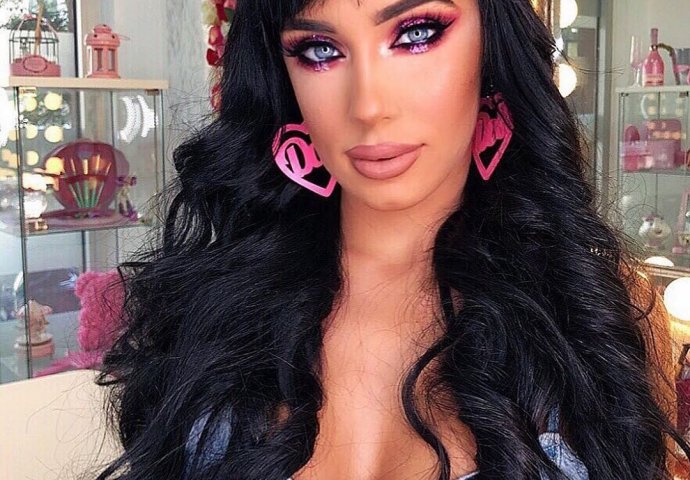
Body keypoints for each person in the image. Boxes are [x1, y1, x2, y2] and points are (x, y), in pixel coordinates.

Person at [95, 0, 690, 479]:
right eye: (320, 49)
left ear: (492, 45)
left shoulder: (598, 312)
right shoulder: (210, 307)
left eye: (417, 33)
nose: (369, 106)